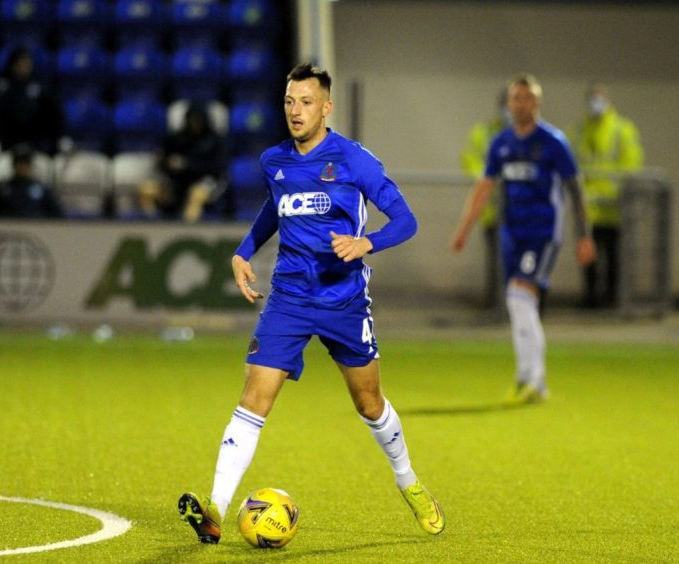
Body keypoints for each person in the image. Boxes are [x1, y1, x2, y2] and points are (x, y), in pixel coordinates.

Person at [178, 63, 444, 544]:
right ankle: (215, 508)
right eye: (288, 102)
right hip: (290, 299)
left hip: (344, 300)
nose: (295, 111)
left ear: (326, 108)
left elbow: (407, 220)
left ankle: (410, 483)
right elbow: (274, 209)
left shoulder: (355, 160)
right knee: (254, 397)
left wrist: (368, 244)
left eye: (305, 102)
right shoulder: (274, 161)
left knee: (369, 402)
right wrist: (243, 250)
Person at [452, 73, 596, 404]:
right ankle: (526, 379)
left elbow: (575, 188)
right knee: (519, 304)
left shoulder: (553, 142)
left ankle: (535, 380)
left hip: (543, 232)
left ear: (538, 102)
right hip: (512, 233)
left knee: (519, 297)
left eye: (528, 98)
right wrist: (464, 229)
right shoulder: (501, 144)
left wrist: (583, 235)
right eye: (516, 98)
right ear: (509, 103)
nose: (522, 104)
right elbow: (485, 187)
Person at [571, 83, 643, 308]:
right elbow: (572, 164)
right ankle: (591, 297)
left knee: (614, 256)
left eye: (600, 99)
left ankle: (613, 298)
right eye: (592, 99)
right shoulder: (580, 130)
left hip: (614, 206)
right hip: (588, 207)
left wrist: (615, 191)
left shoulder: (622, 129)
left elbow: (631, 163)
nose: (596, 104)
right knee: (588, 255)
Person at [137, 101, 228, 222]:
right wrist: (164, 162)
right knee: (146, 190)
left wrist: (187, 165)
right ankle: (152, 225)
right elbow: (162, 162)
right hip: (177, 184)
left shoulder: (215, 141)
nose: (194, 124)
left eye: (198, 120)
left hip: (204, 182)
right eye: (191, 120)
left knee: (196, 195)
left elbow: (217, 167)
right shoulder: (177, 138)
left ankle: (189, 230)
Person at [460, 86, 509, 308]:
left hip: (521, 213)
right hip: (493, 209)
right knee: (496, 260)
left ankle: (512, 304)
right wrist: (488, 178)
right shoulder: (487, 133)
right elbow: (470, 159)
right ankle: (495, 304)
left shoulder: (527, 135)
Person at [0, 47, 70, 156]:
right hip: (5, 144)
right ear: (12, 65)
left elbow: (55, 113)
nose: (23, 69)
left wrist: (61, 138)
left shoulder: (40, 85)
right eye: (19, 65)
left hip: (35, 145)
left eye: (27, 66)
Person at [0, 143, 63, 218]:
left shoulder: (43, 191)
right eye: (19, 163)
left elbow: (57, 216)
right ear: (13, 165)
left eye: (25, 163)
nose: (22, 167)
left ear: (30, 165)